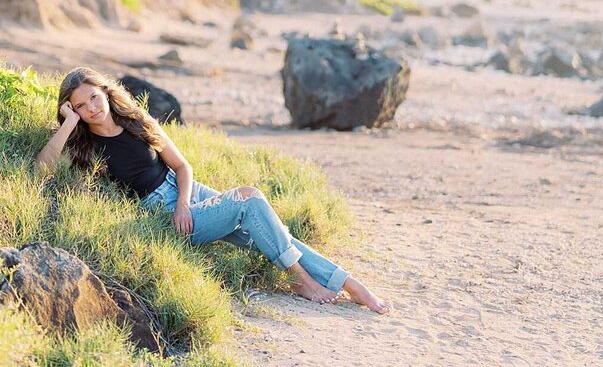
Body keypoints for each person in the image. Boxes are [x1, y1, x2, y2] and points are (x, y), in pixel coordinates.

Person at [34, 66, 392, 312]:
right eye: (80, 105)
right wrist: (70, 123)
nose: (91, 108)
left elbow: (182, 165)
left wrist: (185, 204)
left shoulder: (137, 120)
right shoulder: (84, 145)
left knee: (266, 230)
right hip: (158, 210)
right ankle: (304, 280)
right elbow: (41, 169)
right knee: (250, 199)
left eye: (93, 98)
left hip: (186, 195)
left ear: (106, 92)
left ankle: (348, 283)